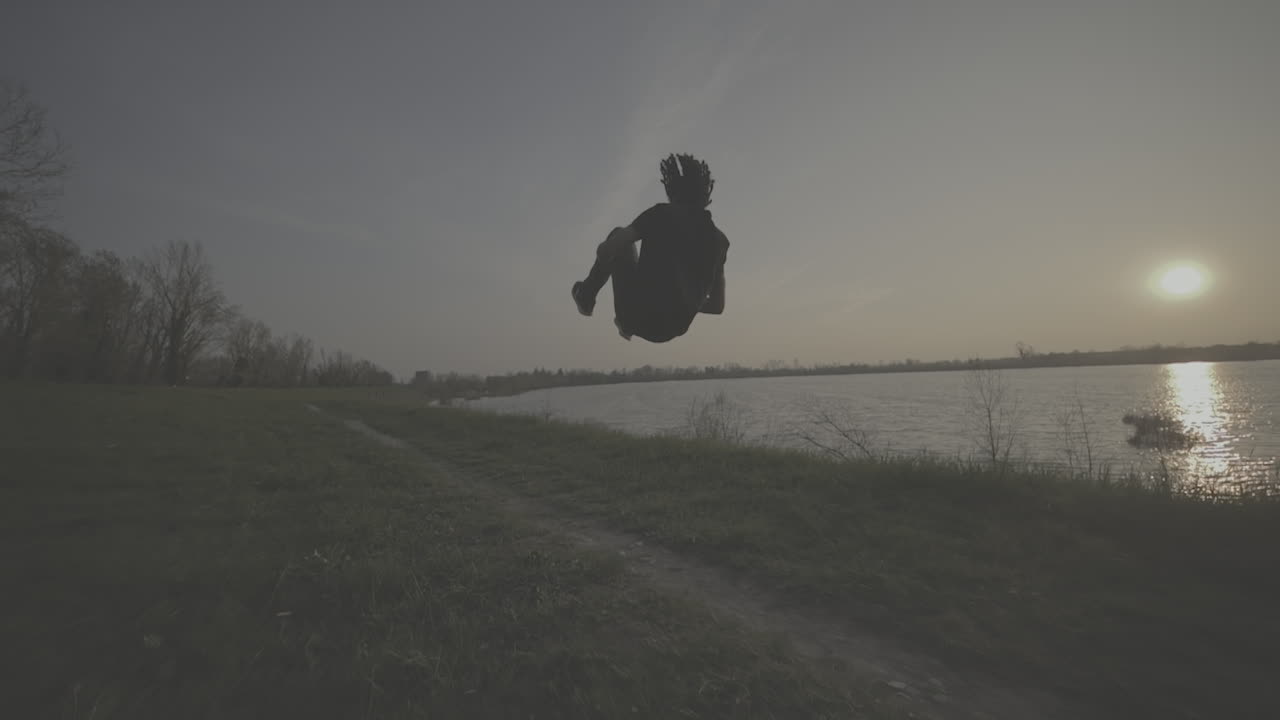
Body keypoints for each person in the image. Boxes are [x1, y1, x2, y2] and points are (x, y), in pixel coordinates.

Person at [571, 153, 729, 343]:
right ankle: (624, 322)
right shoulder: (720, 241)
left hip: (636, 316)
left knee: (618, 235)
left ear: (671, 191)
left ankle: (586, 297)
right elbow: (717, 306)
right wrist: (689, 300)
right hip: (672, 330)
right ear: (705, 195)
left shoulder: (660, 214)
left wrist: (603, 255)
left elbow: (607, 250)